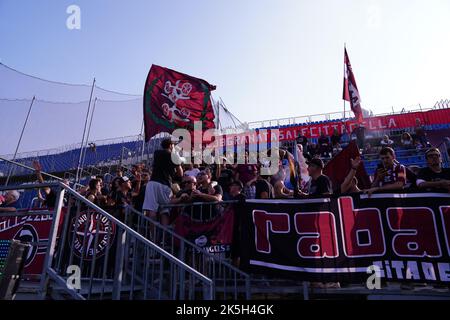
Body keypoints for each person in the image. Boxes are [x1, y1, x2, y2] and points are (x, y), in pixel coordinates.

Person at [143, 138, 183, 225]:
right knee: (165, 211)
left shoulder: (156, 153)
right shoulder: (174, 155)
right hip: (165, 185)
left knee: (152, 210)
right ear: (170, 145)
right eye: (173, 145)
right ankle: (164, 235)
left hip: (153, 183)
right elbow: (180, 174)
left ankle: (152, 237)